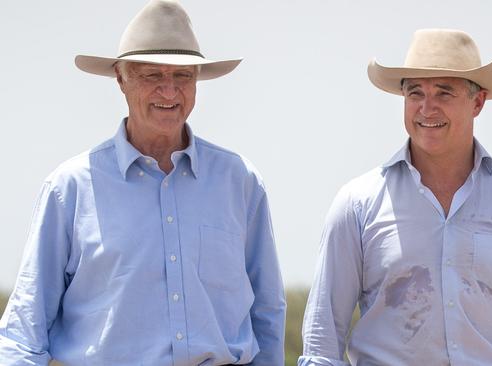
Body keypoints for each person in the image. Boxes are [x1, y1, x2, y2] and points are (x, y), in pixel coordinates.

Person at [0, 1, 285, 365]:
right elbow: (24, 330)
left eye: (182, 76)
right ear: (121, 78)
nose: (169, 92)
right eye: (152, 75)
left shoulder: (240, 182)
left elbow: (268, 312)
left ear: (197, 81)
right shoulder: (69, 189)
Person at [299, 29, 492, 365]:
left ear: (478, 102)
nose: (427, 108)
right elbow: (323, 334)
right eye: (415, 93)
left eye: (444, 93)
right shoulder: (358, 204)